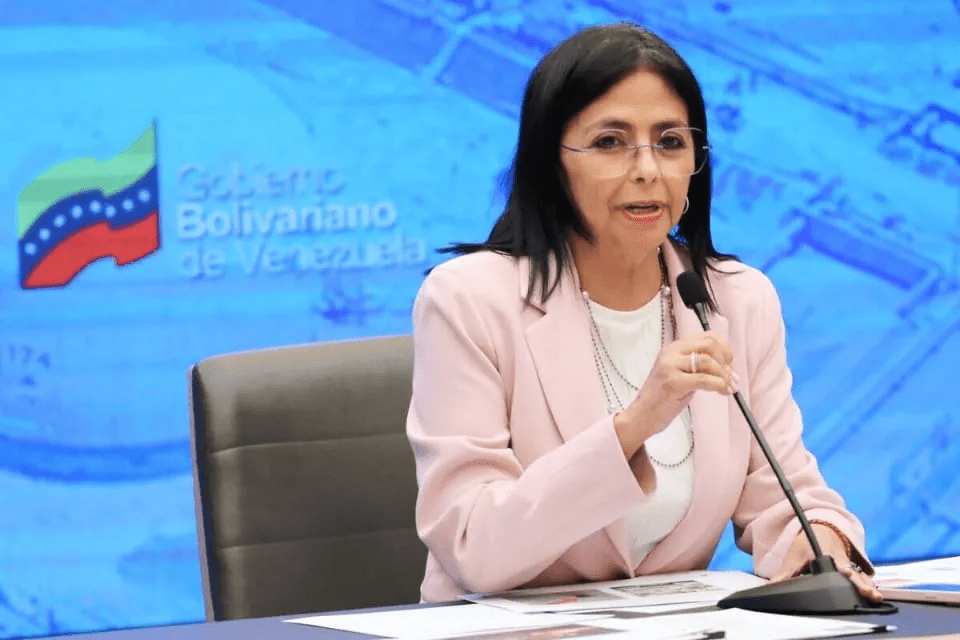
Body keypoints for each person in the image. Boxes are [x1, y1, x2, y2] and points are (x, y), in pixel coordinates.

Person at [405, 22, 881, 603]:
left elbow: (783, 495)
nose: (647, 170)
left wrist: (819, 552)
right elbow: (473, 545)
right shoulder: (469, 300)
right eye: (610, 142)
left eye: (670, 142)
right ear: (551, 162)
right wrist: (635, 425)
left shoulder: (736, 299)